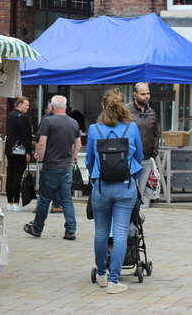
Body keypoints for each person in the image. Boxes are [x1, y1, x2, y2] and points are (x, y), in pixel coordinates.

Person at [85, 88, 144, 294]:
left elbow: (89, 161)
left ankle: (101, 273)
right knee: (120, 233)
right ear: (123, 106)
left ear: (103, 105)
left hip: (101, 187)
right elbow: (139, 157)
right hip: (125, 187)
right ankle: (114, 280)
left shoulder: (94, 129)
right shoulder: (132, 128)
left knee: (101, 232)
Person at [24, 95, 81, 239]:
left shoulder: (47, 121)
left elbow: (42, 142)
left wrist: (40, 157)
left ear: (53, 106)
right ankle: (70, 230)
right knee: (66, 199)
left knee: (44, 199)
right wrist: (73, 157)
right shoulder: (74, 123)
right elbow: (78, 144)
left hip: (51, 165)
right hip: (65, 166)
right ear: (65, 106)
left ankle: (37, 228)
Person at [126, 83, 158, 208]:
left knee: (144, 195)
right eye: (143, 94)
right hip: (131, 158)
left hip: (146, 158)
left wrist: (154, 152)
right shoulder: (126, 111)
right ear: (135, 94)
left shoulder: (151, 112)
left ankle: (139, 220)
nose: (146, 96)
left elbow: (155, 133)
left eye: (148, 93)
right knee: (131, 191)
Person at [5, 97, 32, 211]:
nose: (28, 107)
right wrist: (28, 151)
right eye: (26, 105)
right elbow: (25, 137)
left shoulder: (10, 115)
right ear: (19, 104)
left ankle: (10, 202)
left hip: (10, 149)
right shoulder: (22, 118)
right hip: (20, 150)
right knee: (17, 176)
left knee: (10, 175)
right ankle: (16, 202)